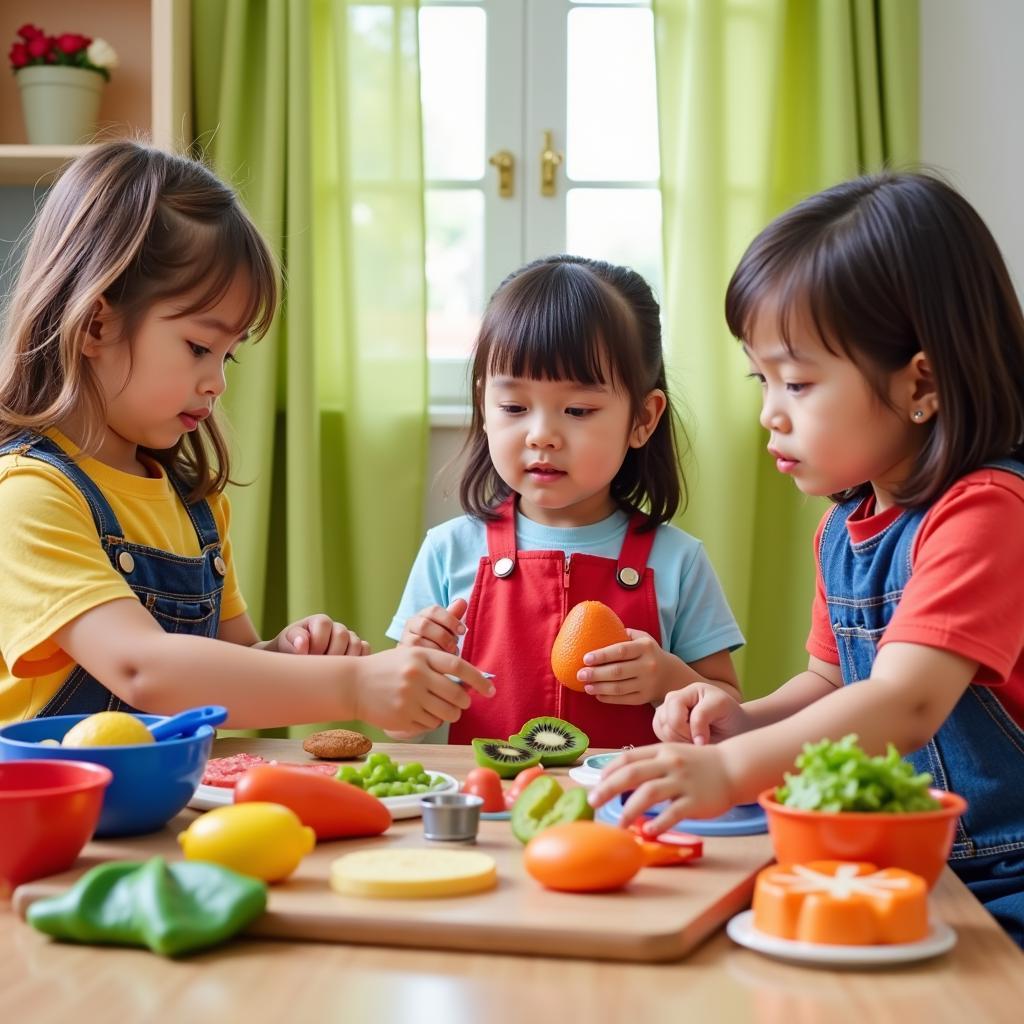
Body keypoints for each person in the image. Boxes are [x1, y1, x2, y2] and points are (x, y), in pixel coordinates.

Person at [588, 172, 1024, 945]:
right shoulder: (845, 526)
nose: (769, 413)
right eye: (762, 380)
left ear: (919, 381)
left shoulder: (986, 512)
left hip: (1006, 875)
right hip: (901, 860)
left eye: (798, 381)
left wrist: (732, 771)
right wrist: (744, 720)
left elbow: (905, 702)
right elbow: (832, 682)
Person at [0, 140, 491, 731]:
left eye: (229, 357)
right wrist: (356, 687)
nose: (217, 383)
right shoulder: (27, 496)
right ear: (97, 323)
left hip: (165, 810)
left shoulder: (195, 506)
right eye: (200, 347)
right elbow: (143, 671)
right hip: (59, 817)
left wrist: (281, 658)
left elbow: (221, 678)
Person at [388, 255, 744, 747]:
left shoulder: (679, 561)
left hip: (631, 810)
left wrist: (668, 679)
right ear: (484, 409)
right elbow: (398, 724)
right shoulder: (448, 551)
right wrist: (412, 666)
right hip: (492, 811)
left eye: (577, 409)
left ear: (643, 418)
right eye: (513, 407)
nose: (542, 436)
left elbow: (728, 711)